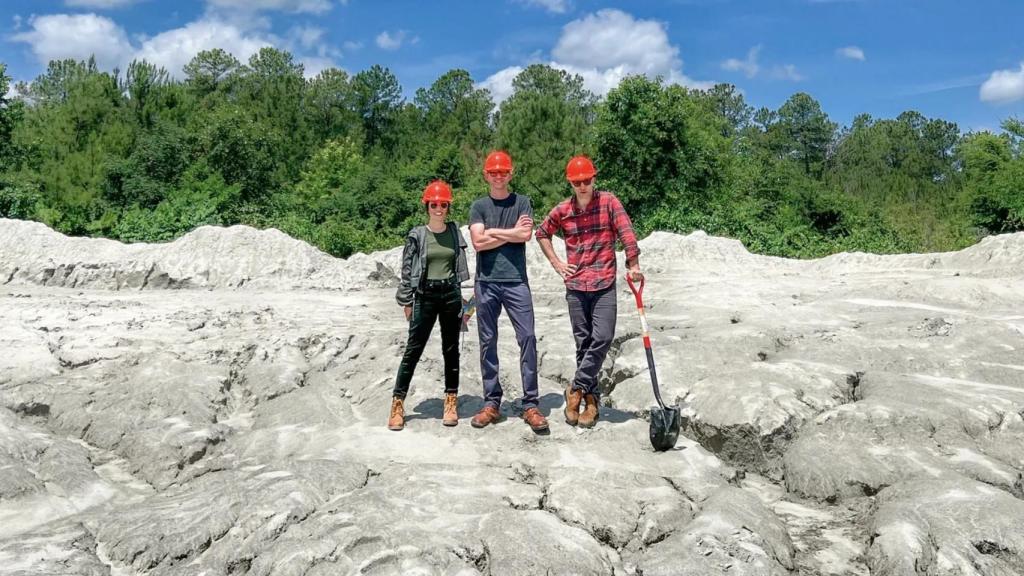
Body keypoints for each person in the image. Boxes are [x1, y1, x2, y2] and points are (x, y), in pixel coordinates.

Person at [535, 155, 643, 428]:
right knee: (583, 345)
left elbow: (627, 233)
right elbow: (542, 233)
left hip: (604, 283)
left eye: (587, 180)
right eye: (577, 182)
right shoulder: (563, 210)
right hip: (576, 286)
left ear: (594, 179)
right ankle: (592, 404)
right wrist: (557, 263)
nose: (582, 186)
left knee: (603, 337)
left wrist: (634, 264)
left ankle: (575, 389)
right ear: (570, 183)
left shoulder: (609, 202)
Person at [468, 151, 549, 432]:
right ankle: (492, 403)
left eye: (503, 172)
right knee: (487, 341)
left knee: (527, 338)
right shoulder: (478, 206)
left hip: (516, 281)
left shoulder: (522, 202)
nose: (499, 176)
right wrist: (509, 232)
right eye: (494, 172)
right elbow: (478, 243)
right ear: (486, 175)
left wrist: (494, 232)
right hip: (486, 282)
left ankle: (530, 404)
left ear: (511, 174)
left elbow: (525, 236)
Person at [389, 180, 470, 431]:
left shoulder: (455, 232)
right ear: (427, 206)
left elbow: (458, 268)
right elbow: (406, 270)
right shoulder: (417, 234)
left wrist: (464, 305)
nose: (438, 208)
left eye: (443, 204)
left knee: (451, 349)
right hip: (424, 295)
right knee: (413, 349)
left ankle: (451, 401)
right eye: (434, 204)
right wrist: (406, 300)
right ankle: (397, 403)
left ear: (448, 207)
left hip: (450, 294)